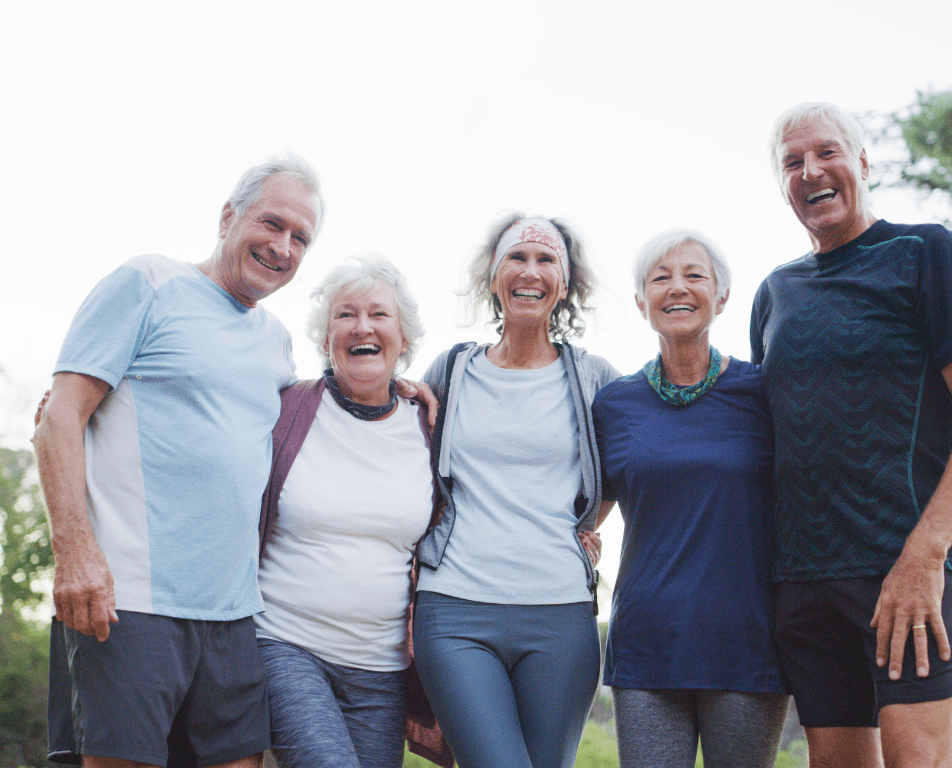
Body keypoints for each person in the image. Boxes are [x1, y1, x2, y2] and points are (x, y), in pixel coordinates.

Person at [34, 154, 323, 768]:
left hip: (234, 616)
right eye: (271, 224)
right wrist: (76, 555)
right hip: (128, 603)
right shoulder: (147, 282)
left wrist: (405, 391)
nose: (282, 246)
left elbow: (308, 423)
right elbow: (59, 418)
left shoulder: (276, 342)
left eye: (301, 238)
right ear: (228, 217)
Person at [750, 102, 952, 768]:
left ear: (863, 163)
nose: (811, 170)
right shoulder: (776, 293)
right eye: (792, 161)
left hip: (906, 568)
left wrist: (926, 555)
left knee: (917, 757)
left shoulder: (925, 252)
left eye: (827, 152)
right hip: (802, 581)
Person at [412, 213, 618, 768]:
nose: (531, 271)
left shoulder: (595, 377)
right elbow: (406, 459)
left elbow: (623, 468)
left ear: (566, 283)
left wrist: (587, 525)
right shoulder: (452, 370)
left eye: (547, 259)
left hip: (561, 614)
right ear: (494, 277)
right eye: (517, 257)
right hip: (454, 610)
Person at [593, 229, 789, 768]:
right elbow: (585, 508)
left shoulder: (764, 392)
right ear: (642, 303)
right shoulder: (615, 405)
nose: (677, 288)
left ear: (722, 297)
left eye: (694, 275)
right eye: (660, 278)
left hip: (746, 646)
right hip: (645, 645)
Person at [255, 255, 450, 768]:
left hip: (381, 670)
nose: (362, 326)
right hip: (284, 644)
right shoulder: (284, 410)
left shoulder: (432, 429)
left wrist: (583, 524)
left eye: (379, 315)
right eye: (346, 315)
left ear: (404, 340)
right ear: (325, 339)